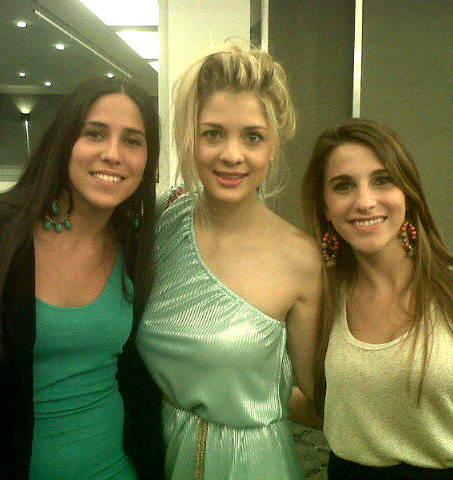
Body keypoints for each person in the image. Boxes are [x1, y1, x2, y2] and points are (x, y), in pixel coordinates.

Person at [0, 77, 164, 480]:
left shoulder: (136, 245)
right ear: (64, 141)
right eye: (95, 133)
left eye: (133, 141)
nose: (113, 154)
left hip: (118, 469)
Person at [300, 118, 453, 480]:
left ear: (407, 194)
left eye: (382, 180)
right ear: (326, 208)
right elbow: (322, 406)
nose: (365, 201)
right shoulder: (321, 297)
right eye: (343, 186)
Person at [136, 43, 323, 479]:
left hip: (251, 463)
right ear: (191, 138)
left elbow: (319, 398)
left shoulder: (301, 259)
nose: (232, 155)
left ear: (273, 146)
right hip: (157, 449)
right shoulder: (164, 218)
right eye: (213, 134)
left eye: (252, 137)